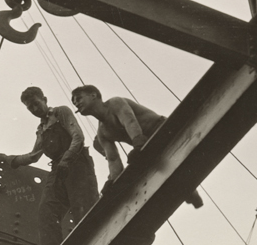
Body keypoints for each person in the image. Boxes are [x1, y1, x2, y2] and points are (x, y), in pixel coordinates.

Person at [0, 86, 98, 245]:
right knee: (47, 209)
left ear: (44, 99)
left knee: (83, 207)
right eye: (30, 108)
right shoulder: (41, 129)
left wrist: (67, 159)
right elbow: (33, 156)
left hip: (77, 163)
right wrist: (9, 159)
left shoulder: (61, 113)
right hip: (58, 169)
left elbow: (78, 137)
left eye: (36, 104)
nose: (34, 109)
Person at [70, 85, 203, 207]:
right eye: (74, 102)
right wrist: (113, 181)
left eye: (79, 98)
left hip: (163, 129)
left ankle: (190, 191)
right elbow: (113, 159)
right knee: (163, 169)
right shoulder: (102, 132)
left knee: (172, 162)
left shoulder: (115, 103)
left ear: (93, 95)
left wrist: (138, 143)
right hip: (149, 146)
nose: (76, 103)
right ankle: (190, 192)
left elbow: (129, 120)